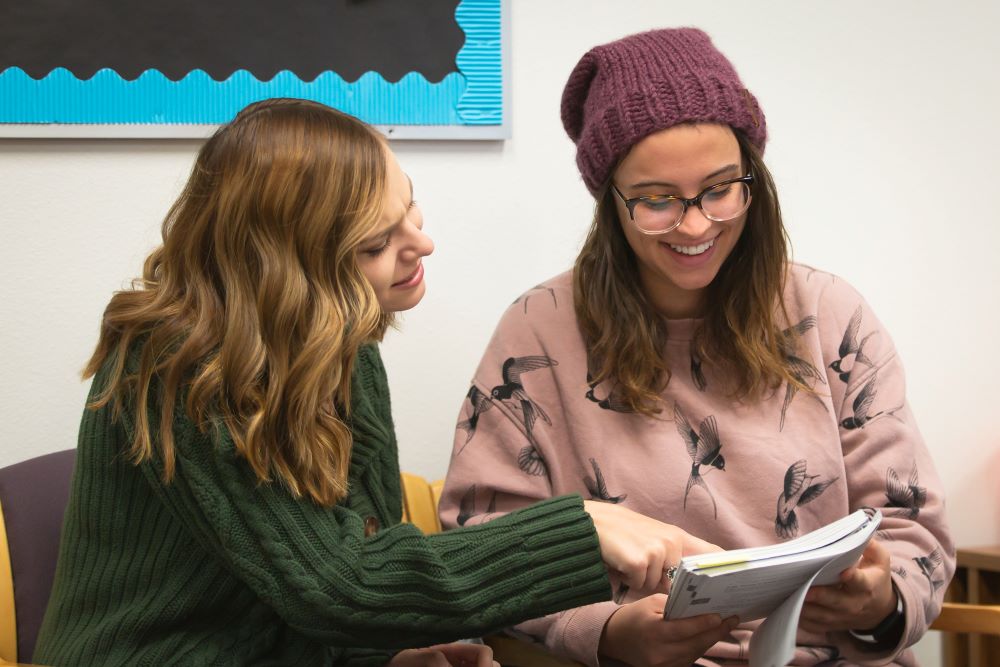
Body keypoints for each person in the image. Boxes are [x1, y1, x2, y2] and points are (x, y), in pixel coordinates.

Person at [33, 98, 721, 667]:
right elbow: (340, 585)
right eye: (373, 242)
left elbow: (340, 565)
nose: (421, 244)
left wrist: (389, 657)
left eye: (410, 211)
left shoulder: (343, 350)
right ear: (288, 266)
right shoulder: (176, 363)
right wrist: (584, 524)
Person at [439, 28, 954, 667]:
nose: (694, 224)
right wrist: (608, 632)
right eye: (656, 201)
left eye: (719, 189)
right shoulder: (538, 328)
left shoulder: (829, 314)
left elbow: (912, 530)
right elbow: (482, 545)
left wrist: (881, 599)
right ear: (611, 204)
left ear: (752, 179)